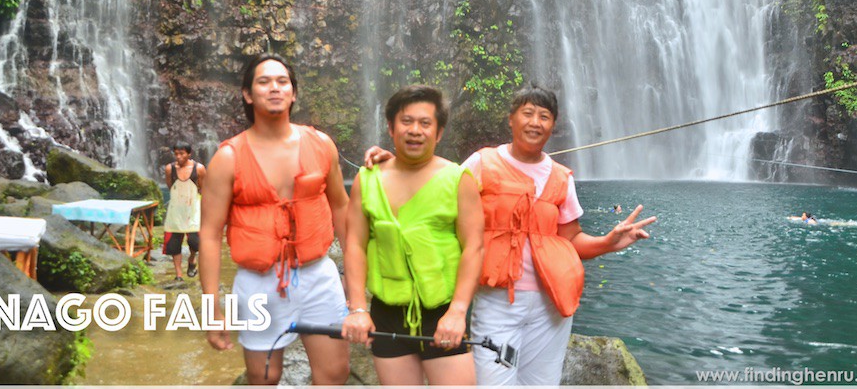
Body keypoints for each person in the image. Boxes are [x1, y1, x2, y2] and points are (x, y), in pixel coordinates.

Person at [365, 85, 656, 386]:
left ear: (553, 125)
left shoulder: (561, 177)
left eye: (544, 116)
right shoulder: (482, 163)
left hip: (551, 304)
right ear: (511, 119)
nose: (535, 122)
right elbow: (435, 186)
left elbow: (570, 239)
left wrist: (608, 243)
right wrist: (398, 161)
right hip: (497, 300)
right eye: (527, 113)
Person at [199, 53, 351, 385]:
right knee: (264, 377)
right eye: (264, 81)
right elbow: (209, 235)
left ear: (293, 93)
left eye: (282, 81)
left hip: (318, 275)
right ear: (248, 94)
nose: (274, 88)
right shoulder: (228, 158)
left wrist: (354, 281)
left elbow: (341, 208)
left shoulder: (321, 144)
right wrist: (212, 308)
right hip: (258, 282)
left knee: (334, 374)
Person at [342, 85, 484, 386]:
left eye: (425, 123)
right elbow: (354, 245)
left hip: (441, 313)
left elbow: (474, 247)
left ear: (439, 132)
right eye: (406, 122)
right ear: (391, 128)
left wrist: (458, 312)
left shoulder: (457, 179)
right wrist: (357, 308)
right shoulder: (367, 180)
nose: (415, 131)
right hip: (387, 312)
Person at [162, 142, 206, 280]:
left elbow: (203, 187)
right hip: (176, 210)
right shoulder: (170, 169)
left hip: (193, 209)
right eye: (176, 154)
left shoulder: (199, 169)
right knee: (174, 243)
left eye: (182, 154)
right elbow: (171, 186)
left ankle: (192, 260)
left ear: (189, 154)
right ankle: (178, 274)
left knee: (195, 241)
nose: (179, 157)